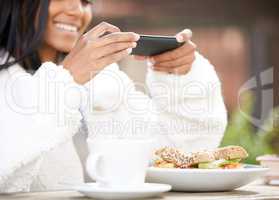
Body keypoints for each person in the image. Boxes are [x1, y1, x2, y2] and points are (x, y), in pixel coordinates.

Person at [0, 0, 227, 193]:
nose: (77, 10)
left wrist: (181, 78)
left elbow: (175, 153)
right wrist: (65, 81)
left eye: (85, 1)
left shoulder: (104, 79)